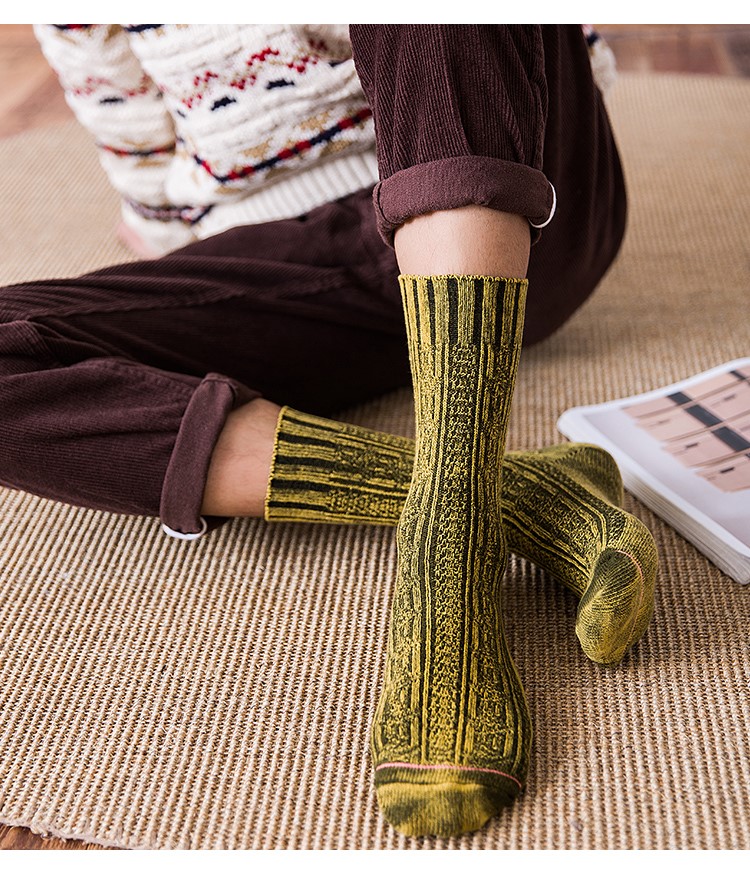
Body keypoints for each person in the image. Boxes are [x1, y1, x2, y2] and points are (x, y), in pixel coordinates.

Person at [3, 25, 657, 837]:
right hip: (306, 245)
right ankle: (522, 495)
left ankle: (447, 554)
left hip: (513, 195)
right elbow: (135, 140)